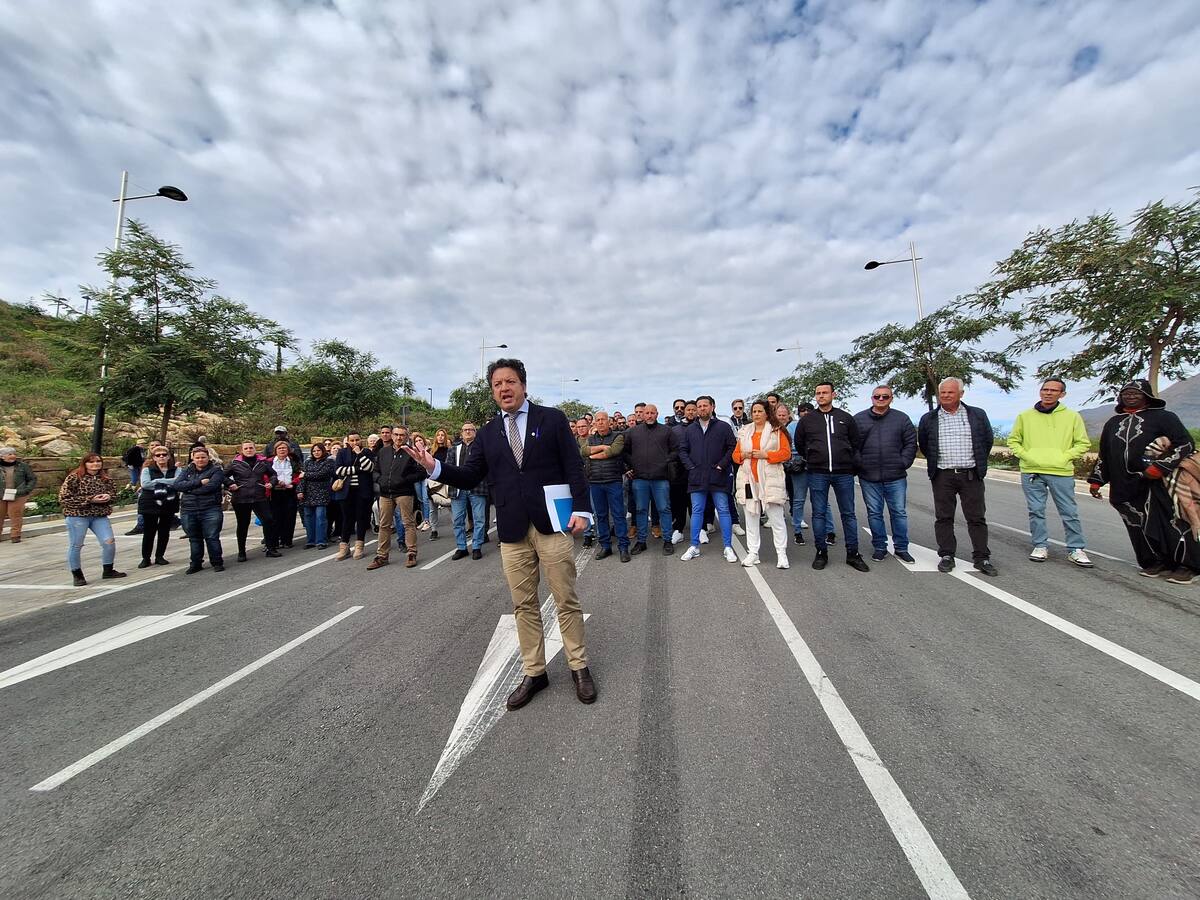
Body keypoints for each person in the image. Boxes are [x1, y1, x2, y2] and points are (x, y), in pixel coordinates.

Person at [404, 358, 596, 709]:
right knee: (523, 604)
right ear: (492, 392)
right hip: (511, 529)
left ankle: (578, 666)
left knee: (565, 599)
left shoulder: (551, 419)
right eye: (497, 384)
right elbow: (470, 475)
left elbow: (573, 465)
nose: (504, 388)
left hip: (552, 524)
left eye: (510, 381)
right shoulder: (488, 432)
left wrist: (582, 510)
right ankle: (535, 671)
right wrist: (435, 467)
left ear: (523, 385)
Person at [1089, 379, 1199, 583]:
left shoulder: (1164, 417)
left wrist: (1160, 467)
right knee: (1136, 524)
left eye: (1136, 393)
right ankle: (1155, 561)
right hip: (1123, 484)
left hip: (1157, 482)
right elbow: (1104, 454)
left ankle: (1187, 566)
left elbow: (1185, 444)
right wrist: (1097, 480)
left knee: (1171, 522)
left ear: (1147, 396)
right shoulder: (1113, 423)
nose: (1130, 396)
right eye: (1126, 393)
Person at [1007, 379, 1094, 567]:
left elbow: (1082, 443)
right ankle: (1040, 545)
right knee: (1036, 510)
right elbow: (1013, 441)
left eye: (1053, 390)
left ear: (1062, 394)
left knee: (1069, 511)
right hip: (1032, 471)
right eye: (1045, 389)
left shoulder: (1072, 416)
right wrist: (1027, 456)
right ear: (1040, 392)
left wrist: (1064, 457)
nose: (1048, 393)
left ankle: (1076, 548)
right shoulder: (1025, 416)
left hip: (1061, 471)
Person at [917, 377, 998, 576]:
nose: (945, 395)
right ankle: (946, 555)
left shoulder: (977, 415)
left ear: (961, 394)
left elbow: (986, 441)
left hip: (971, 474)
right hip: (942, 475)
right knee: (944, 517)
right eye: (942, 392)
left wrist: (977, 464)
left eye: (950, 392)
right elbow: (926, 445)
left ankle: (982, 557)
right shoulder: (929, 419)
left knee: (976, 517)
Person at [798, 383, 869, 572]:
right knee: (818, 513)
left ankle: (853, 554)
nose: (821, 396)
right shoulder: (807, 420)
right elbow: (800, 442)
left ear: (833, 394)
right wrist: (812, 456)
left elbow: (855, 443)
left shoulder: (845, 418)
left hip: (843, 473)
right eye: (818, 393)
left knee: (848, 514)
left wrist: (850, 463)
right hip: (817, 473)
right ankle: (821, 552)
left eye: (825, 392)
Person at [854, 385, 917, 563]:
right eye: (877, 396)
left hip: (895, 475)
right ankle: (880, 547)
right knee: (874, 513)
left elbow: (911, 443)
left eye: (885, 396)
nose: (881, 399)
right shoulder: (859, 419)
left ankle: (901, 548)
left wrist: (903, 462)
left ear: (891, 398)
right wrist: (860, 464)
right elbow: (852, 446)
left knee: (899, 513)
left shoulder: (901, 419)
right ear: (872, 398)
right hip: (869, 476)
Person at [679, 395, 738, 563]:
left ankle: (728, 547)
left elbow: (732, 447)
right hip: (697, 477)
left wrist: (722, 465)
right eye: (699, 406)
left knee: (723, 510)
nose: (702, 408)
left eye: (705, 405)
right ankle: (694, 546)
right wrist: (691, 467)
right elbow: (682, 450)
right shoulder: (690, 429)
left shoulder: (723, 427)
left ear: (712, 407)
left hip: (718, 476)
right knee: (697, 511)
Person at [733, 399, 791, 569]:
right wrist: (743, 455)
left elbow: (786, 453)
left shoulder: (776, 430)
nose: (756, 414)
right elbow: (735, 456)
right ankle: (753, 553)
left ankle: (781, 554)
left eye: (760, 411)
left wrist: (766, 455)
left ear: (767, 413)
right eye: (754, 411)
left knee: (776, 519)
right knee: (751, 518)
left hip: (769, 481)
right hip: (749, 481)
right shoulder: (745, 431)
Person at [59, 453, 126, 586]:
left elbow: (114, 494)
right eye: (91, 462)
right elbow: (64, 498)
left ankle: (108, 570)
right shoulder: (74, 477)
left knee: (109, 542)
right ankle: (77, 575)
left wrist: (108, 497)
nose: (95, 464)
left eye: (98, 461)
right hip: (78, 515)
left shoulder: (106, 479)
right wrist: (90, 499)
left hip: (99, 515)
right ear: (85, 464)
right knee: (76, 545)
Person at [370, 425, 426, 569]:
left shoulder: (412, 452)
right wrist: (380, 480)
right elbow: (375, 470)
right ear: (392, 435)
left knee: (408, 523)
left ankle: (411, 553)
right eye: (396, 434)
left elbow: (422, 472)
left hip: (404, 492)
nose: (398, 437)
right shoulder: (383, 451)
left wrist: (404, 480)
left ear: (407, 437)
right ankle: (382, 556)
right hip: (385, 493)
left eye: (402, 435)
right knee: (384, 525)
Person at [625, 403, 677, 556]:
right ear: (642, 415)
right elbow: (625, 451)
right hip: (640, 479)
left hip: (660, 478)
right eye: (646, 413)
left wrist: (665, 461)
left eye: (652, 413)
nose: (649, 415)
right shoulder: (633, 432)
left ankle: (667, 540)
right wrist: (632, 464)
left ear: (657, 414)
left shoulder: (666, 431)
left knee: (664, 509)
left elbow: (676, 450)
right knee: (640, 510)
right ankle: (641, 541)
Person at [582, 411, 629, 562]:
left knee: (618, 515)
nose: (601, 422)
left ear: (609, 422)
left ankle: (623, 547)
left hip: (613, 481)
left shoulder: (617, 436)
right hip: (595, 482)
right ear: (594, 423)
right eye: (598, 420)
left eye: (603, 419)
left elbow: (614, 451)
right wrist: (602, 447)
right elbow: (583, 451)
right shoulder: (590, 438)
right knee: (600, 516)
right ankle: (605, 546)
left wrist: (593, 454)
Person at [172, 445, 226, 574]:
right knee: (194, 538)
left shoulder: (216, 470)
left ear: (208, 457)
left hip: (210, 508)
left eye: (203, 457)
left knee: (212, 537)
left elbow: (212, 487)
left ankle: (217, 562)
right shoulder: (187, 470)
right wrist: (199, 482)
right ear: (193, 458)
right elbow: (177, 485)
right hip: (189, 509)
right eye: (197, 458)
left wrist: (189, 489)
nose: (200, 460)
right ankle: (196, 563)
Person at [226, 441, 280, 561]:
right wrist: (230, 484)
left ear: (255, 449)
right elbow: (223, 476)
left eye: (251, 448)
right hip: (241, 498)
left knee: (268, 520)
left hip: (259, 496)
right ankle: (241, 552)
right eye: (246, 448)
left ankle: (270, 548)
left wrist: (271, 483)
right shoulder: (235, 463)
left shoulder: (262, 462)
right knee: (243, 524)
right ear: (242, 450)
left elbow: (273, 475)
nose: (249, 450)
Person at [448, 423, 489, 560]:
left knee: (479, 519)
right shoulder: (453, 449)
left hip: (477, 487)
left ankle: (477, 546)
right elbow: (448, 467)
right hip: (458, 489)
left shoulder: (482, 448)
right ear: (461, 432)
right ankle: (461, 547)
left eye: (470, 429)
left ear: (475, 432)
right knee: (457, 520)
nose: (467, 432)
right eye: (465, 430)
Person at [334, 432, 376, 560]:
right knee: (347, 518)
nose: (354, 442)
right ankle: (344, 546)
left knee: (361, 518)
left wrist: (359, 454)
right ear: (347, 441)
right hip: (346, 491)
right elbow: (338, 470)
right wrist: (358, 469)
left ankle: (359, 546)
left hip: (362, 491)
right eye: (352, 440)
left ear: (361, 440)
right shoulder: (342, 453)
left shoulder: (367, 452)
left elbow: (369, 468)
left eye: (357, 440)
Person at [136, 446, 179, 567]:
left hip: (168, 502)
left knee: (164, 531)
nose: (161, 457)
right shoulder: (147, 470)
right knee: (149, 531)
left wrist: (156, 481)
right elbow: (145, 484)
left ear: (168, 456)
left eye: (164, 454)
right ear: (154, 457)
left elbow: (178, 482)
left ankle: (160, 556)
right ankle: (146, 558)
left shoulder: (176, 469)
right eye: (158, 455)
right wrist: (167, 482)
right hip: (150, 503)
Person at [298, 441, 335, 549]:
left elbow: (322, 474)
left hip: (321, 493)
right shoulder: (308, 462)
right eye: (314, 451)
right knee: (308, 518)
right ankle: (310, 540)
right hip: (308, 494)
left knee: (320, 518)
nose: (316, 452)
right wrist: (300, 491)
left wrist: (306, 474)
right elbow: (301, 478)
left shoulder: (328, 462)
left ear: (323, 451)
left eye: (318, 450)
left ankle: (321, 541)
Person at [269, 440, 301, 549]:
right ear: (275, 450)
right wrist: (275, 482)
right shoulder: (269, 461)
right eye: (279, 448)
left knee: (290, 516)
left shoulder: (293, 461)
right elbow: (265, 475)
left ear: (288, 450)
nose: (282, 450)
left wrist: (293, 484)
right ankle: (275, 540)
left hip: (290, 491)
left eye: (284, 448)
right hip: (275, 491)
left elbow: (299, 475)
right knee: (276, 517)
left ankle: (287, 540)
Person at [0, 447, 36, 543]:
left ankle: (15, 535)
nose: (13, 456)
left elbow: (32, 479)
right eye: (9, 454)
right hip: (1, 494)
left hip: (18, 494)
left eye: (14, 454)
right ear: (2, 456)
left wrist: (26, 490)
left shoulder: (23, 466)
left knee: (15, 514)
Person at [574, 417, 597, 548]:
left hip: (594, 477)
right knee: (584, 509)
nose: (581, 429)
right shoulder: (572, 442)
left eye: (583, 426)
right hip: (580, 479)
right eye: (578, 427)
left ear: (588, 426)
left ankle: (600, 533)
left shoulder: (594, 440)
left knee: (595, 508)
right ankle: (587, 535)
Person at [121, 441, 146, 535]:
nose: (143, 445)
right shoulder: (135, 449)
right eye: (142, 443)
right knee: (134, 479)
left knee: (136, 479)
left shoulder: (142, 450)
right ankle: (130, 491)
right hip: (134, 466)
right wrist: (129, 464)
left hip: (138, 466)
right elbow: (128, 456)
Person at [411, 431, 435, 531]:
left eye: (420, 440)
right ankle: (425, 519)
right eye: (416, 441)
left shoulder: (428, 451)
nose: (418, 442)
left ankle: (427, 520)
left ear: (423, 441)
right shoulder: (413, 452)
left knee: (425, 499)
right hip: (417, 478)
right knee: (420, 499)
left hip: (426, 477)